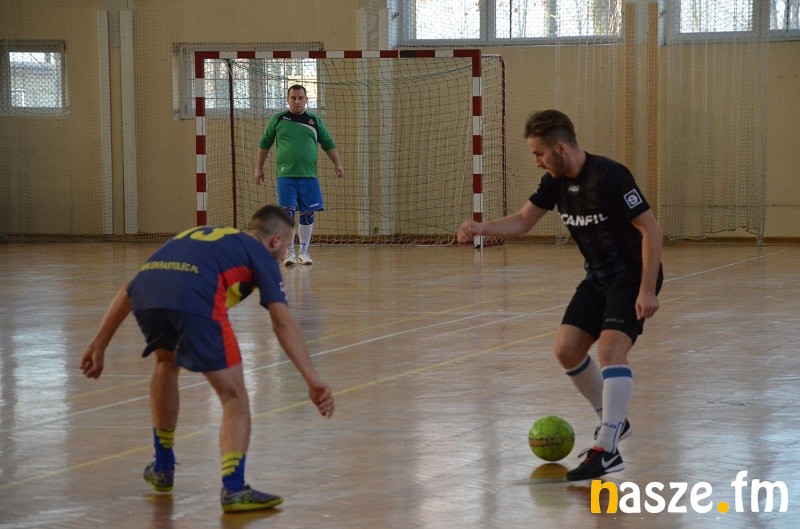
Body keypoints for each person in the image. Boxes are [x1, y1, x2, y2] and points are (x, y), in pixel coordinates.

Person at [80, 205, 335, 512]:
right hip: (196, 299)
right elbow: (282, 322)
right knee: (234, 397)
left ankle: (162, 467)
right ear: (276, 241)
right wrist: (312, 379)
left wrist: (98, 344)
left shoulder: (204, 235)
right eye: (286, 247)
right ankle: (234, 488)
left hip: (149, 296)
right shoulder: (260, 253)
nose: (283, 257)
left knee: (166, 363)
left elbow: (130, 289)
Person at [457, 110, 663, 481]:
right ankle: (613, 421)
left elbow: (651, 230)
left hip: (632, 276)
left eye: (539, 153)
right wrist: (481, 227)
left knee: (611, 351)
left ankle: (607, 448)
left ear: (560, 148)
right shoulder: (554, 183)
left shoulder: (610, 176)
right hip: (597, 277)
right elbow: (523, 220)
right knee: (566, 349)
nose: (537, 161)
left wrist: (647, 290)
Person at [254, 84, 345, 267]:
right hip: (285, 176)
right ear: (288, 100)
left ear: (306, 100)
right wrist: (259, 168)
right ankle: (289, 252)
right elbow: (265, 143)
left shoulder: (315, 121)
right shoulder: (278, 119)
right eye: (293, 98)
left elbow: (328, 143)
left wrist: (338, 165)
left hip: (309, 177)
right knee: (287, 214)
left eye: (300, 98)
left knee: (307, 213)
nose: (297, 101)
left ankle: (304, 252)